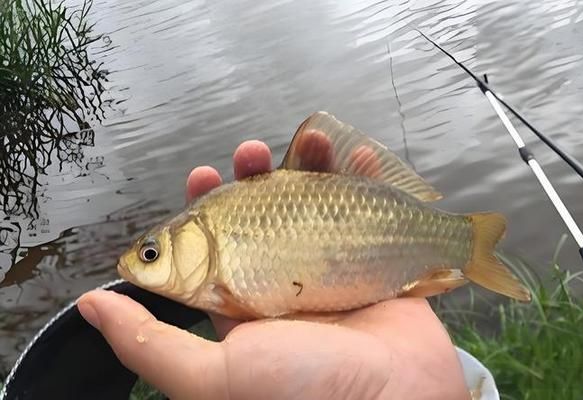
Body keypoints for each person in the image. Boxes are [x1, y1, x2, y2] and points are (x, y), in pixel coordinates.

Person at [77, 139, 471, 400]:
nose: (143, 265)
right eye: (152, 255)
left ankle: (471, 242)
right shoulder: (214, 230)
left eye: (151, 255)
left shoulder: (218, 274)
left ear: (194, 239)